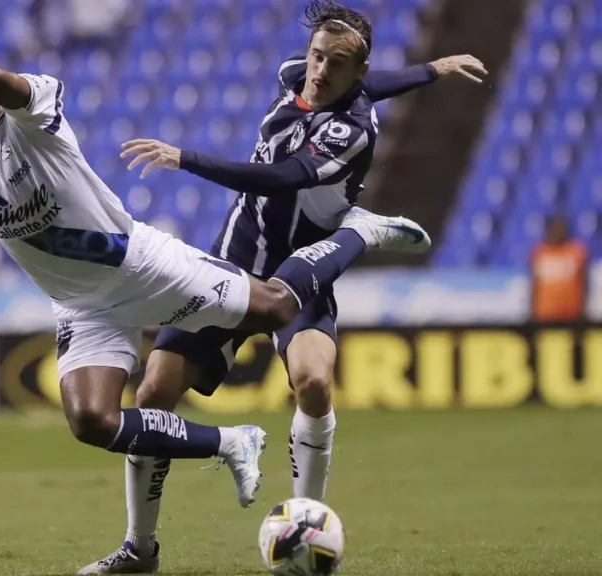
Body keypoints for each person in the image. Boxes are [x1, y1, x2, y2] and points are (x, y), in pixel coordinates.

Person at [0, 6, 427, 519]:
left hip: (142, 265)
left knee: (281, 306)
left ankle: (360, 233)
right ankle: (223, 452)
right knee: (94, 420)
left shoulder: (33, 106)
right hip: (81, 303)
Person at [79, 1, 488, 572]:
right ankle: (139, 548)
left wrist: (186, 158)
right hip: (229, 263)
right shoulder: (297, 74)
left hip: (299, 269)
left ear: (356, 74)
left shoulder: (350, 130)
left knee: (315, 383)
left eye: (337, 65)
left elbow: (282, 178)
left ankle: (308, 525)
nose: (320, 70)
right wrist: (432, 69)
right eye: (318, 55)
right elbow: (373, 79)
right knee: (151, 396)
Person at [531, 214, 587, 322]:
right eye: (555, 228)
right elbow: (534, 284)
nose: (558, 232)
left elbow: (584, 283)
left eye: (561, 228)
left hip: (572, 314)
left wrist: (583, 310)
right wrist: (532, 311)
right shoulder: (540, 252)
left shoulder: (577, 252)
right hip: (545, 315)